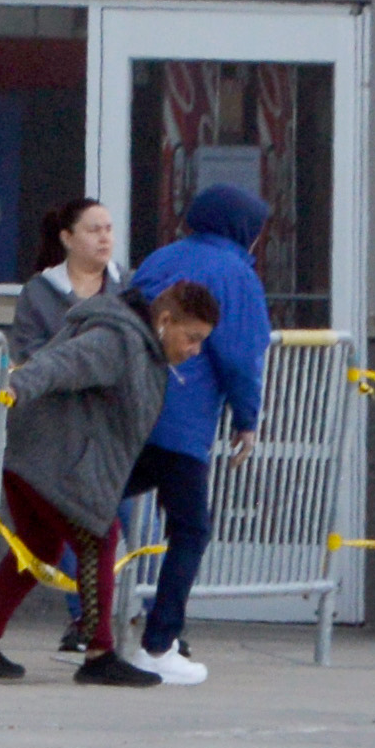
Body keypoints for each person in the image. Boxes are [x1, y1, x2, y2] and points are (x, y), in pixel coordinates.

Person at [117, 178, 280, 683]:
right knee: (189, 529)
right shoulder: (237, 275)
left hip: (131, 411)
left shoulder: (161, 258)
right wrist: (248, 418)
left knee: (86, 507)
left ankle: (0, 629)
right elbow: (240, 355)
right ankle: (160, 643)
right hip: (183, 421)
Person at [0, 193, 148, 683]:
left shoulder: (125, 289)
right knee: (98, 532)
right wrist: (84, 363)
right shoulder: (42, 291)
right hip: (49, 439)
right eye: (94, 229)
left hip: (103, 438)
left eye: (109, 229)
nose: (104, 238)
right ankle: (97, 649)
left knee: (41, 547)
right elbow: (34, 356)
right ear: (67, 238)